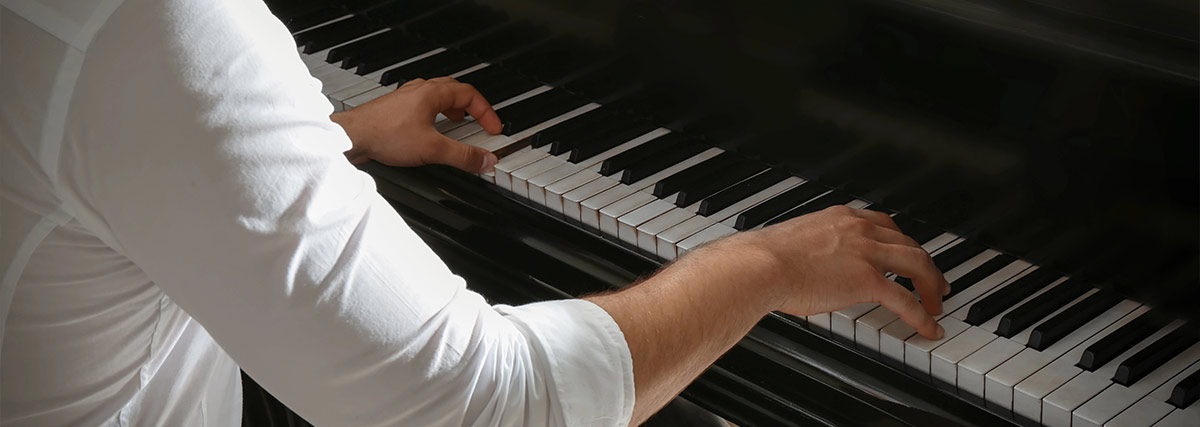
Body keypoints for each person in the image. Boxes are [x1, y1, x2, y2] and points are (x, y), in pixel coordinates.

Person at [0, 0, 948, 425]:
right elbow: (482, 408)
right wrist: (766, 266)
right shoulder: (143, 19)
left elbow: (94, 144)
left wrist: (325, 136)